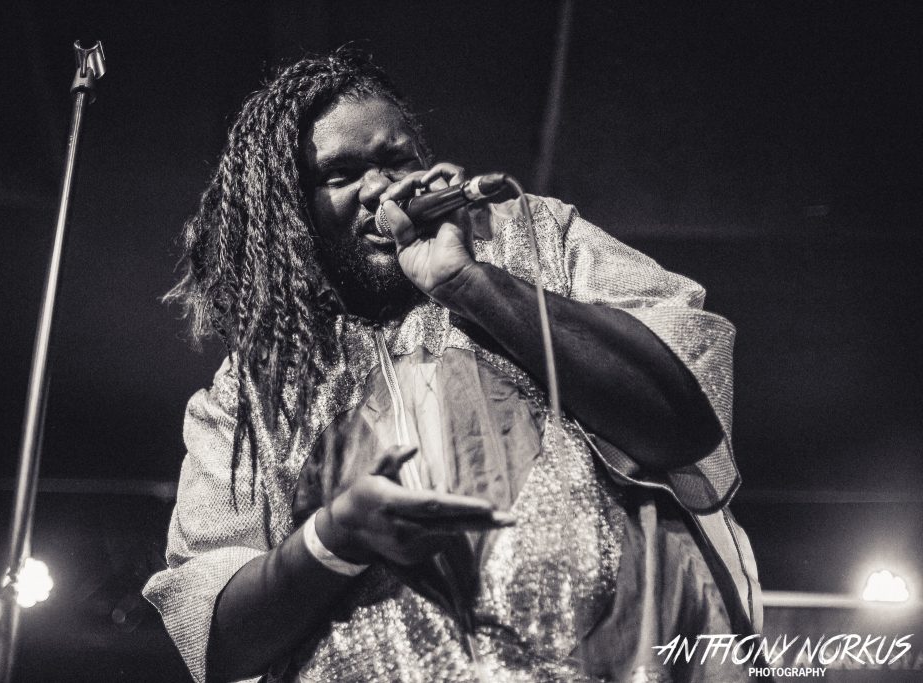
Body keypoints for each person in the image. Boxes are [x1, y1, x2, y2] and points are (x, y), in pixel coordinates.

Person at [144, 47, 762, 683]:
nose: (380, 188)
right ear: (290, 208)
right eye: (342, 173)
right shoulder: (251, 395)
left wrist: (467, 281)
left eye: (396, 159)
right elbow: (216, 637)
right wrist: (338, 537)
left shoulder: (532, 237)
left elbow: (684, 421)